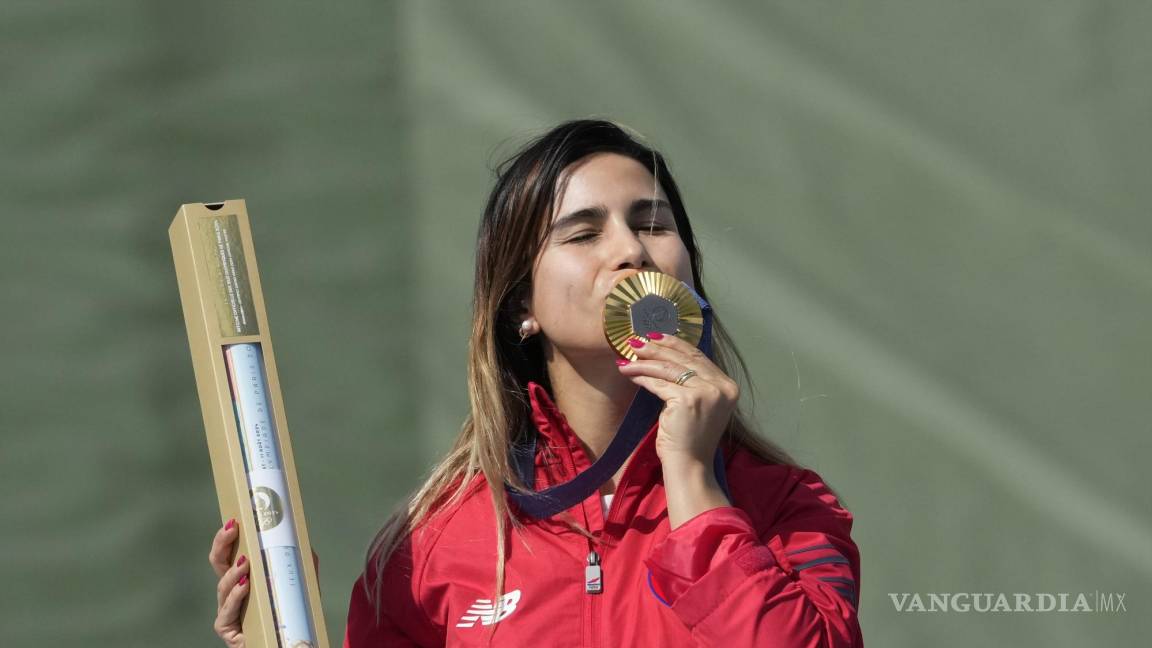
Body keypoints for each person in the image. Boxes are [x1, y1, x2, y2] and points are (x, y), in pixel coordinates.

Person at [208, 119, 862, 647]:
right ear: (523, 305)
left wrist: (692, 477)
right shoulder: (429, 547)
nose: (631, 251)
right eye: (583, 233)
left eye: (654, 224)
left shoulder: (783, 506)